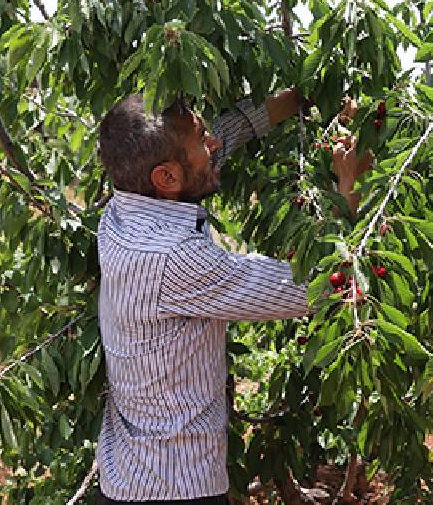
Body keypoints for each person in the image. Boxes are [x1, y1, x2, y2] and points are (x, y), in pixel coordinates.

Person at [94, 89, 366, 505]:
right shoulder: (174, 259)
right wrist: (351, 180)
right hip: (177, 489)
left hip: (131, 477)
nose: (214, 145)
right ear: (166, 177)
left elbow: (224, 135)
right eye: (203, 140)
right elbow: (319, 287)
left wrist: (305, 95)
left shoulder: (123, 208)